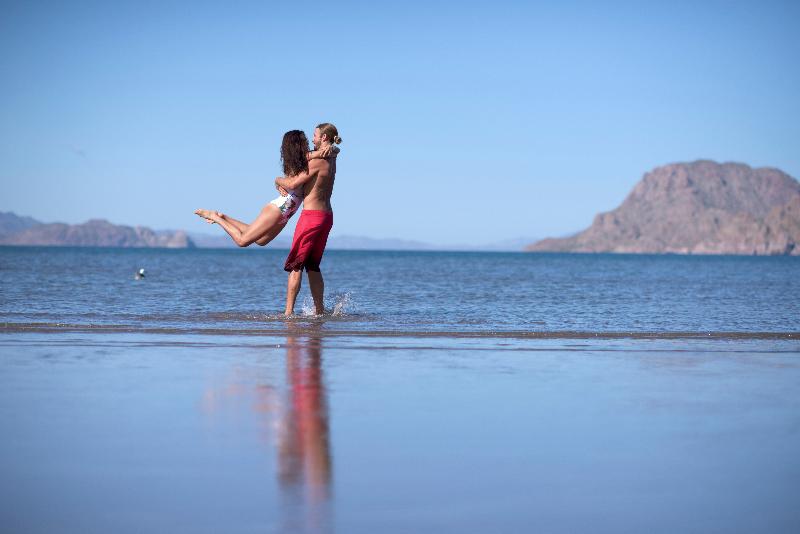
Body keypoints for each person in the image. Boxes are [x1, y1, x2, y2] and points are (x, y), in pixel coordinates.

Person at [194, 130, 337, 247]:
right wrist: (277, 180)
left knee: (261, 241)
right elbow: (293, 182)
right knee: (242, 241)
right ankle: (215, 217)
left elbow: (334, 151)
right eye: (304, 141)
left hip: (288, 211)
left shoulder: (304, 159)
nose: (308, 143)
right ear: (297, 145)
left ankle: (223, 217)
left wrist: (333, 147)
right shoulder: (303, 159)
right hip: (280, 208)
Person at [276, 123, 341, 317]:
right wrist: (332, 148)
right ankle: (319, 312)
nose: (312, 139)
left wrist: (277, 180)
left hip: (311, 217)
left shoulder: (317, 160)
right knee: (312, 265)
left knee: (296, 265)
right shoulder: (331, 156)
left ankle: (288, 313)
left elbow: (293, 183)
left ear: (324, 138)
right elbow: (334, 149)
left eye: (314, 135)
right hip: (326, 216)